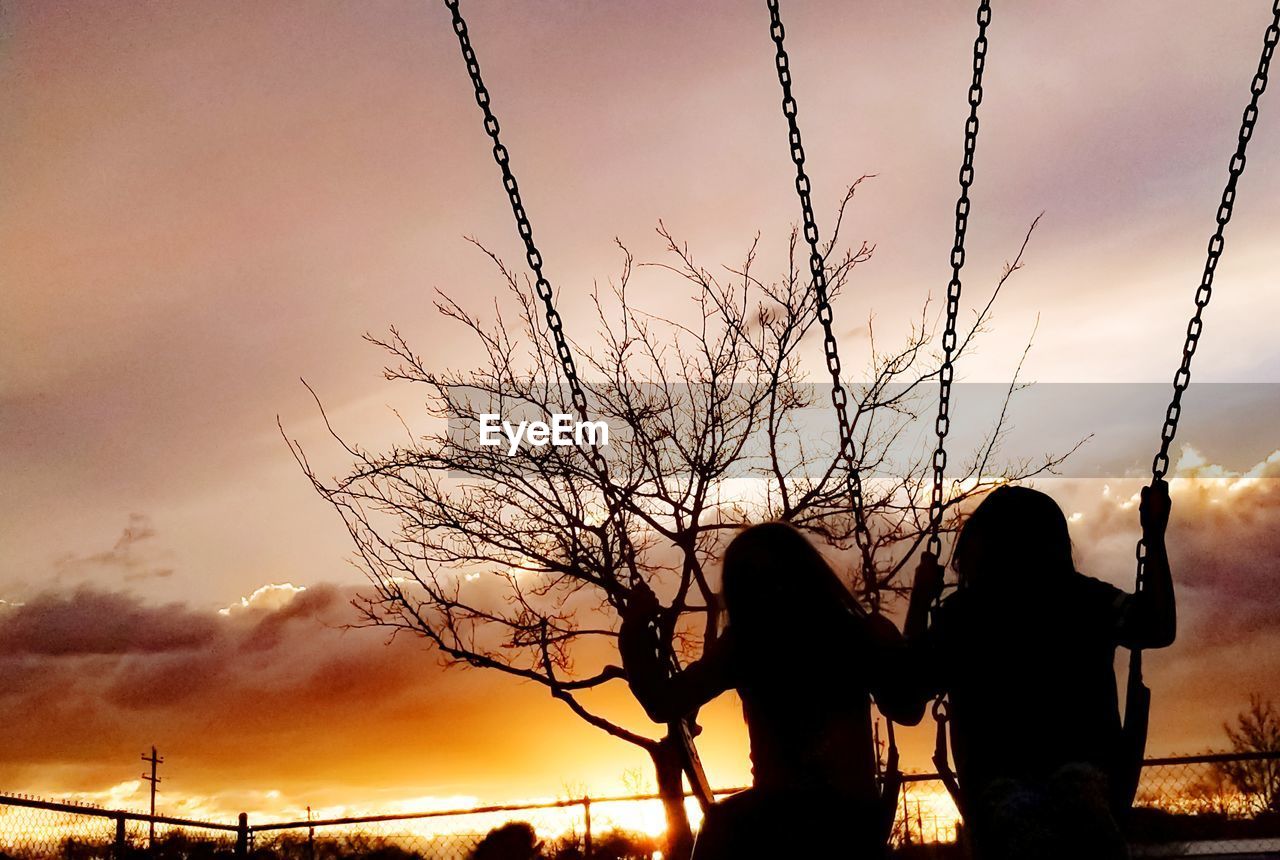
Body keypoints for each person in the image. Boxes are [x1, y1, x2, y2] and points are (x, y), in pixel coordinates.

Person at [619, 521, 924, 859]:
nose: (775, 593)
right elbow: (907, 706)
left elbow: (664, 702)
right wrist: (915, 610)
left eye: (777, 580)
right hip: (848, 815)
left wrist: (634, 633)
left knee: (720, 828)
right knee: (724, 826)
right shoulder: (851, 633)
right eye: (761, 584)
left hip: (790, 814)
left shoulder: (748, 644)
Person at [906, 481, 1176, 860]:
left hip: (998, 801)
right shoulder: (1086, 600)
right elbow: (1158, 628)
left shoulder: (963, 615)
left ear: (979, 549)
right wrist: (1154, 536)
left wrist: (919, 602)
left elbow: (906, 699)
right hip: (1085, 796)